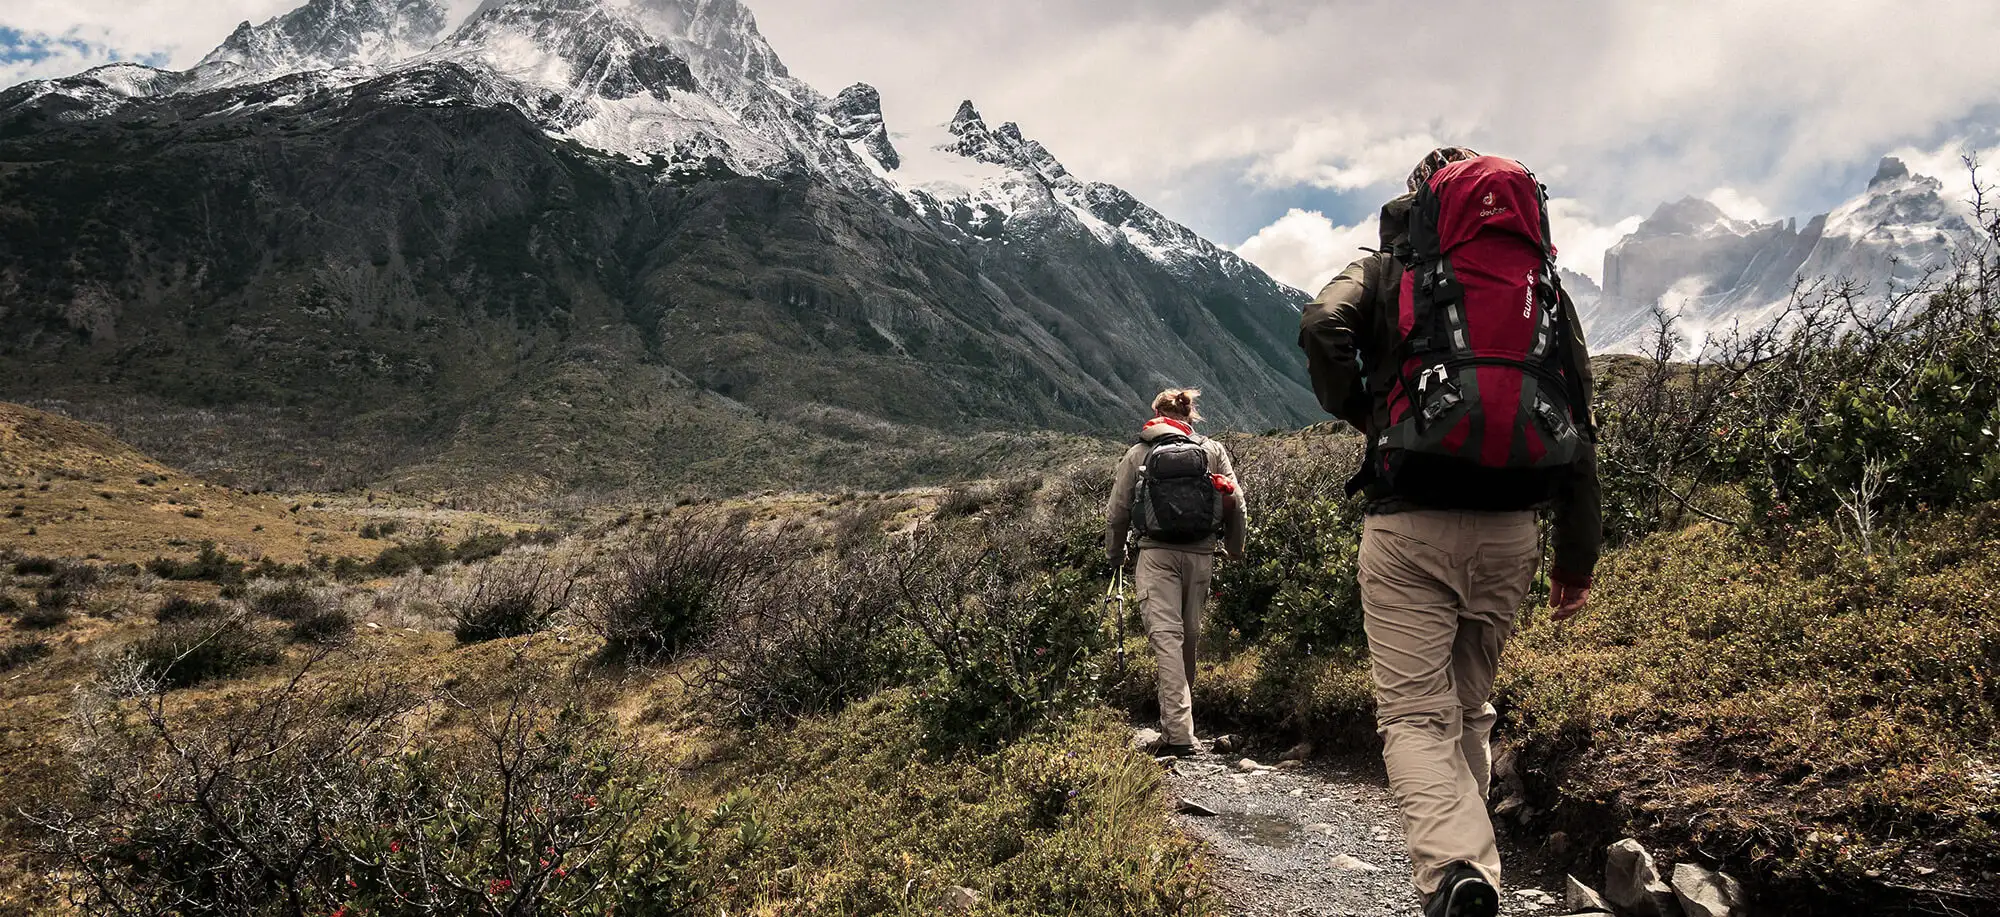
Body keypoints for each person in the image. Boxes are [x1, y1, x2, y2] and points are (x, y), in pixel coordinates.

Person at [1298, 147, 1603, 917]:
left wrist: (1373, 414)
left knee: (1411, 714)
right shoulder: (1544, 290)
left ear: (1422, 202)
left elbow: (1319, 323)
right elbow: (1577, 414)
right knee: (1468, 707)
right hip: (1513, 532)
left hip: (1411, 525)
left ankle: (1455, 870)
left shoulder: (1390, 271)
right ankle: (1479, 876)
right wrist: (1577, 555)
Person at [1105, 388, 1246, 758]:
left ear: (1156, 413)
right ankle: (1182, 723)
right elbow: (1237, 502)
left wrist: (1116, 555)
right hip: (1201, 555)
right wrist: (1233, 548)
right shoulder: (1212, 450)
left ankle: (1179, 734)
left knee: (1166, 638)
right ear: (1190, 415)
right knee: (1189, 636)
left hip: (1156, 555)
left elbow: (1118, 511)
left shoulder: (1139, 453)